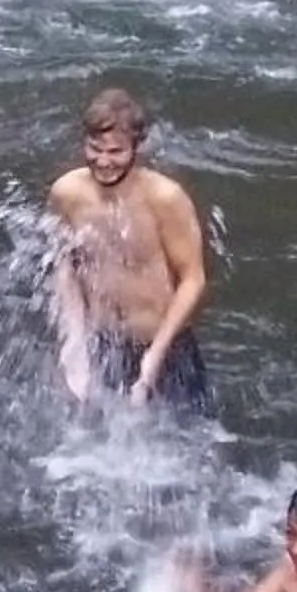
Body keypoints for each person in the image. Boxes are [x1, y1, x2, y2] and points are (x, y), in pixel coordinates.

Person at [43, 86, 212, 414]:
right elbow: (64, 265)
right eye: (95, 149)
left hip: (165, 347)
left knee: (189, 438)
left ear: (136, 148)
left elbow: (193, 279)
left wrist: (154, 358)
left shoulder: (165, 198)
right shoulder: (66, 193)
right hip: (104, 344)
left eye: (116, 152)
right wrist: (74, 343)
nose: (103, 162)